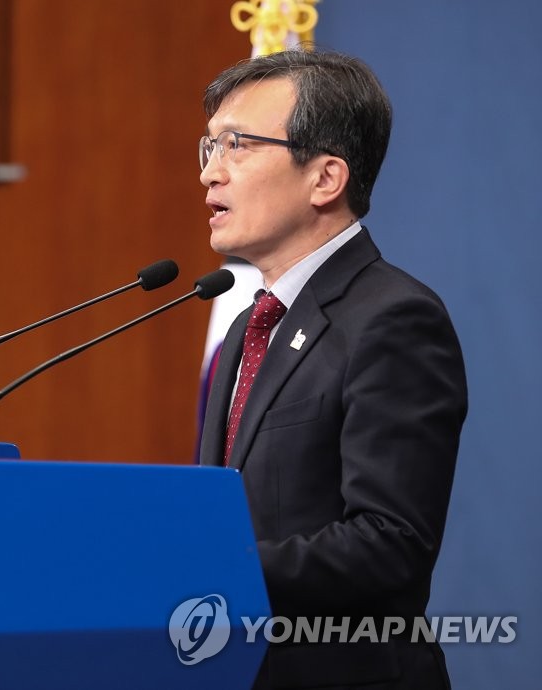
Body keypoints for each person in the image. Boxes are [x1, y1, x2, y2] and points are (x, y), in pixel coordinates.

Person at [196, 50, 468, 689]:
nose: (210, 173)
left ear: (325, 178)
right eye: (208, 147)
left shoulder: (394, 318)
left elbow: (390, 542)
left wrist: (206, 566)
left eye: (237, 145)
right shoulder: (247, 326)